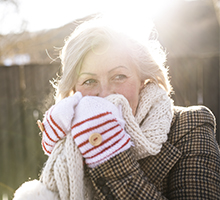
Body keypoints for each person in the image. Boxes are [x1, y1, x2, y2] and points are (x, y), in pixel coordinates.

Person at [14, 18, 220, 200]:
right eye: (89, 81)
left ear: (142, 79)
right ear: (73, 89)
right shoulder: (70, 142)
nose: (105, 94)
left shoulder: (191, 125)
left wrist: (106, 149)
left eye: (119, 76)